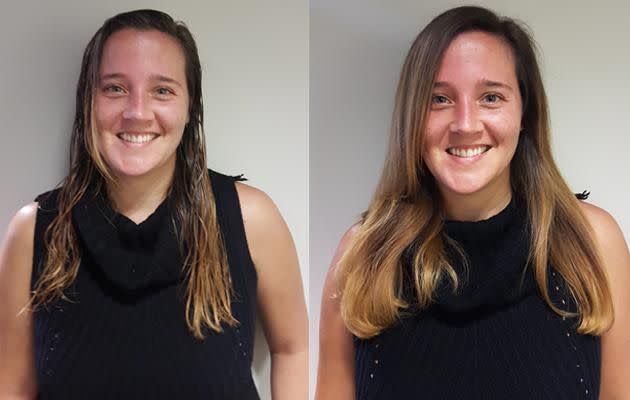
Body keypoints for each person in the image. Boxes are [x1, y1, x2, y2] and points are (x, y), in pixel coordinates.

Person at [316, 6, 629, 400]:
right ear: (412, 115)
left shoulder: (592, 243)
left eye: (491, 97)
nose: (465, 123)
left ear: (524, 113)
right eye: (440, 99)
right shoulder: (363, 255)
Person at [0, 9, 307, 400]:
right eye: (114, 88)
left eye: (162, 90)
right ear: (87, 101)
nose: (137, 112)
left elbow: (292, 348)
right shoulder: (33, 232)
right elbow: (12, 387)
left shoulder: (251, 219)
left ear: (190, 107)